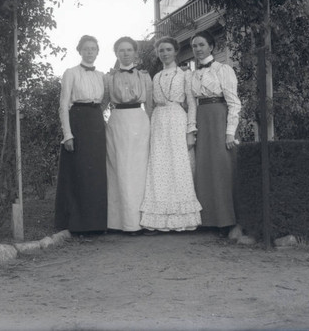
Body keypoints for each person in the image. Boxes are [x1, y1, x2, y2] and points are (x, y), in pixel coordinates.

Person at [140, 36, 202, 232]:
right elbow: (149, 105)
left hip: (177, 119)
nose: (164, 53)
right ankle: (159, 219)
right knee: (158, 166)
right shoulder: (155, 77)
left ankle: (182, 218)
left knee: (179, 165)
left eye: (168, 50)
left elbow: (192, 104)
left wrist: (190, 131)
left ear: (175, 51)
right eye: (161, 51)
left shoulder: (185, 75)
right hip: (158, 121)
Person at [189, 30, 241, 237]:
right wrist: (191, 129)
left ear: (211, 47)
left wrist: (230, 133)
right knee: (204, 168)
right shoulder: (193, 74)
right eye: (194, 46)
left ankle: (227, 220)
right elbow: (192, 104)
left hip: (219, 117)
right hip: (202, 118)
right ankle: (208, 220)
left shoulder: (223, 69)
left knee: (222, 167)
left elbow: (234, 102)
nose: (198, 49)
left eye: (201, 45)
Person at [54, 35, 107, 235]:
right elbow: (63, 105)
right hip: (77, 120)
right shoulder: (71, 73)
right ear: (80, 51)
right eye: (86, 49)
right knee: (78, 172)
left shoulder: (101, 75)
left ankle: (97, 224)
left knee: (96, 174)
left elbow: (105, 101)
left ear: (97, 51)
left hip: (96, 121)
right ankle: (77, 224)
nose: (90, 52)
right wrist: (67, 134)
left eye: (93, 48)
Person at [103, 36, 153, 235]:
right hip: (117, 122)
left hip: (139, 123)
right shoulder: (109, 77)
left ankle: (140, 222)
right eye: (121, 50)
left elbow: (149, 104)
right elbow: (103, 103)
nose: (125, 54)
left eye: (129, 50)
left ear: (135, 53)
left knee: (138, 171)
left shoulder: (144, 76)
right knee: (118, 169)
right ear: (116, 54)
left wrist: (151, 125)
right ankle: (118, 222)